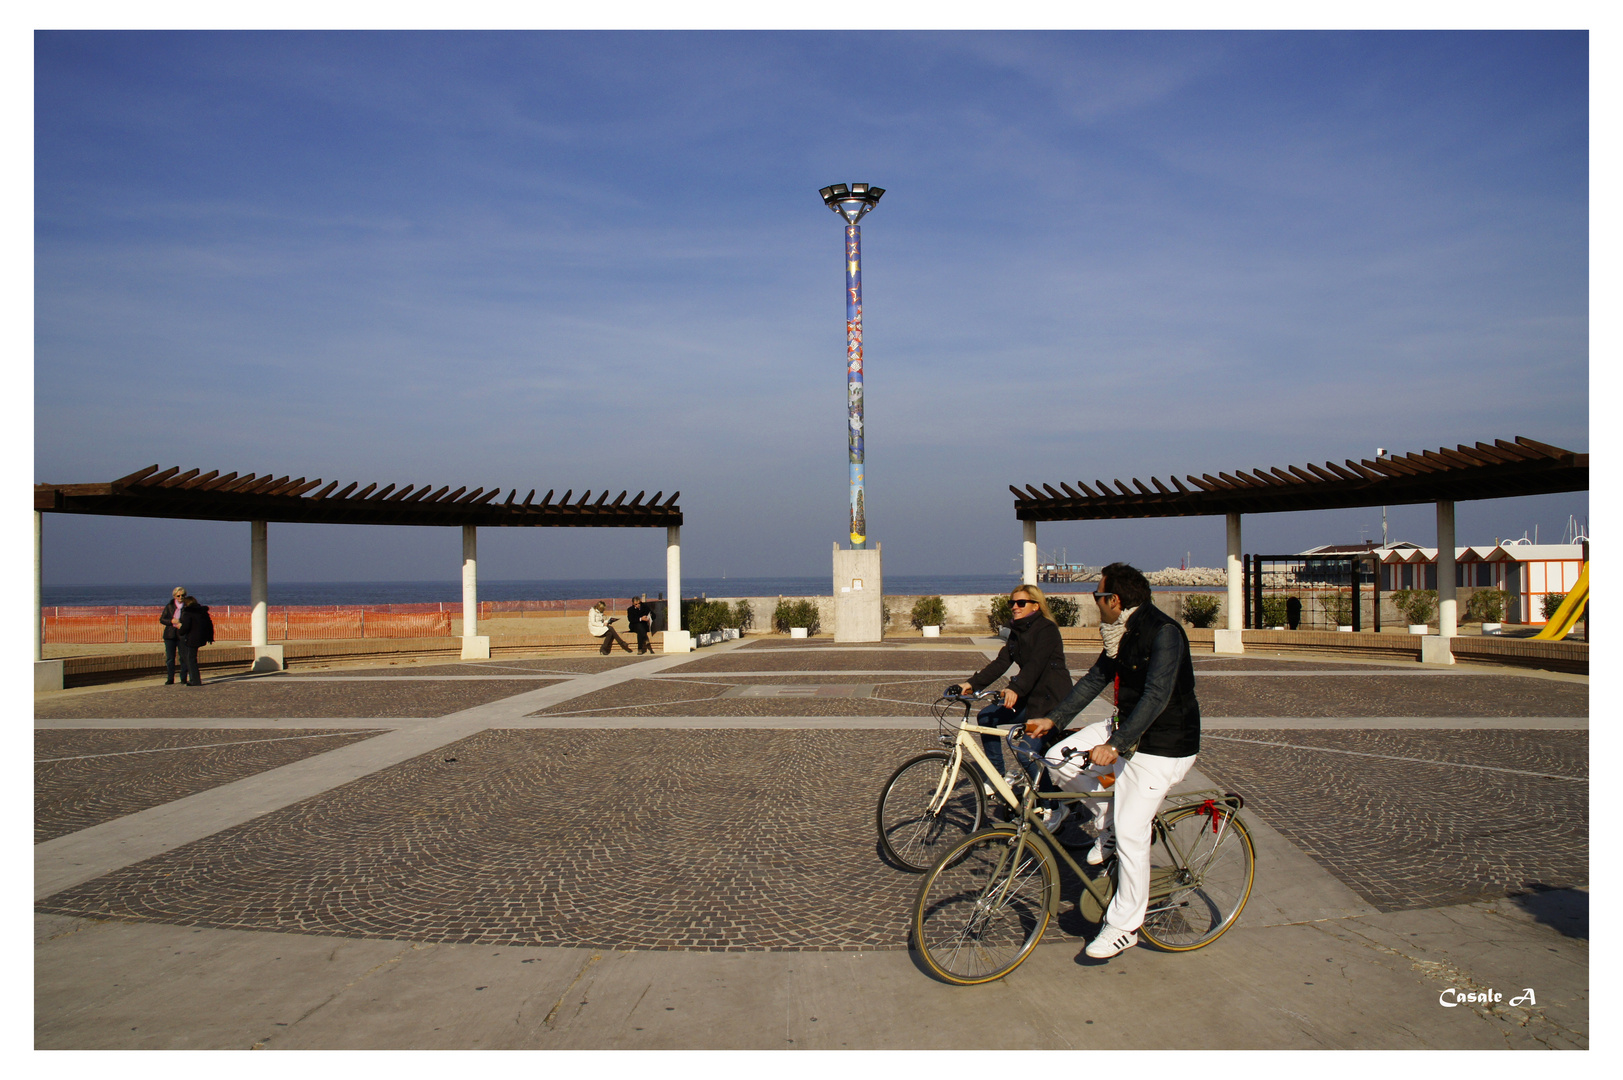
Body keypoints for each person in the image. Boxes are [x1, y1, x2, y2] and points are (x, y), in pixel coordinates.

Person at [1025, 562, 1201, 960]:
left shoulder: (1164, 633)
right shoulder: (1121, 632)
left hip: (1164, 743)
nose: (1095, 603)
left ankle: (1125, 926)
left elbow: (1157, 696)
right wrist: (1054, 719)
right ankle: (1105, 824)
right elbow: (1094, 679)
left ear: (1113, 600)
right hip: (1125, 728)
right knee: (1058, 759)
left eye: (1097, 596)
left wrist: (1117, 744)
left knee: (1132, 833)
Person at [959, 583, 1072, 823]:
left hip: (1051, 701)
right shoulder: (1017, 632)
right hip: (1030, 697)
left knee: (1026, 751)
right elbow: (1001, 663)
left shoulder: (1047, 630)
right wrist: (971, 684)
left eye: (1021, 603)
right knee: (987, 716)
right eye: (1012, 603)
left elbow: (1036, 665)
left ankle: (1055, 805)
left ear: (1035, 605)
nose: (1015, 607)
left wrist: (1014, 688)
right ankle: (997, 775)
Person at [176, 594, 215, 687]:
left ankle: (195, 680)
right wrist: (209, 637)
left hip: (191, 638)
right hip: (201, 637)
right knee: (192, 658)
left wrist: (180, 630)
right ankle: (194, 679)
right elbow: (209, 625)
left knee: (190, 659)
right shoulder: (202, 612)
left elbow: (186, 626)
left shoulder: (188, 612)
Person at [159, 585, 187, 685]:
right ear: (175, 596)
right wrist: (171, 621)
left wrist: (182, 625)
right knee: (170, 658)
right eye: (178, 596)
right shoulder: (169, 606)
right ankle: (170, 678)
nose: (181, 597)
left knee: (183, 657)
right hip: (170, 635)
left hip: (181, 635)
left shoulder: (187, 607)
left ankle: (183, 678)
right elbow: (162, 619)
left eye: (183, 595)